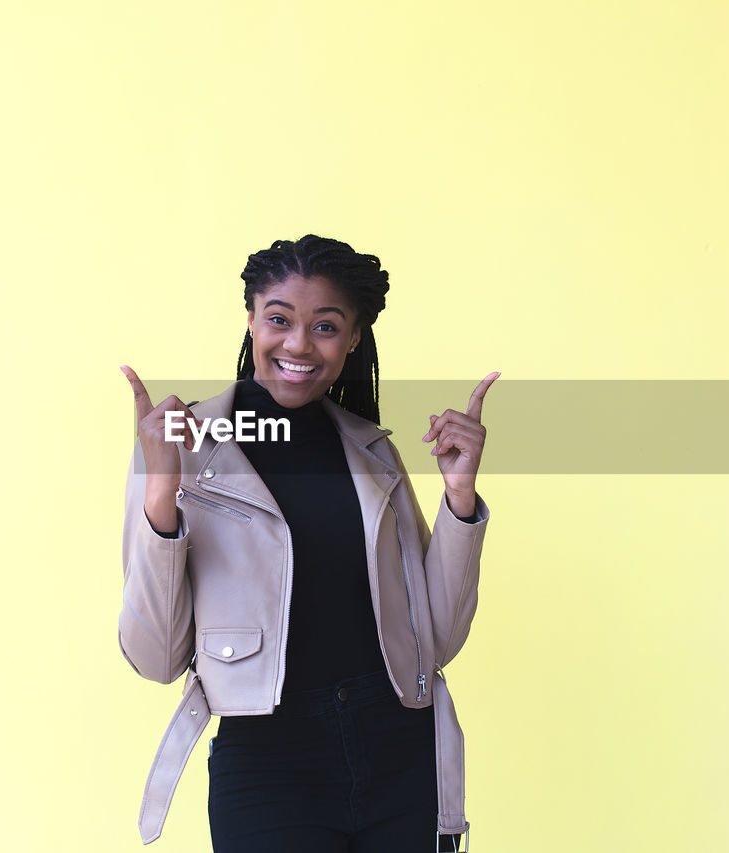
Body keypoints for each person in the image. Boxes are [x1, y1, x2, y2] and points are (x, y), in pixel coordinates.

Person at [118, 234, 496, 852]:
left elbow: (438, 642)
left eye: (325, 325)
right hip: (270, 764)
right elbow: (156, 660)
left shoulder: (373, 453)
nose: (297, 344)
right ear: (250, 321)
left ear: (352, 339)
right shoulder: (184, 446)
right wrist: (162, 492)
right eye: (278, 319)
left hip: (402, 752)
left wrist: (459, 500)